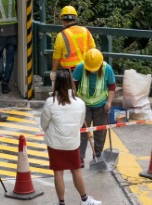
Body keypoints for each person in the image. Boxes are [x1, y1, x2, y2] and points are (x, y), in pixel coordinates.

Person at [41, 69, 102, 205]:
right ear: (71, 84)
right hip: (72, 144)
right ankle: (84, 199)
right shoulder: (79, 103)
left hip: (55, 144)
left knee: (58, 173)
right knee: (76, 171)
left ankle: (61, 202)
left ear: (56, 84)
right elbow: (80, 124)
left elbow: (43, 124)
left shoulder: (50, 102)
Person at [72, 49, 116, 165]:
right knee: (82, 133)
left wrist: (109, 102)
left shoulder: (107, 69)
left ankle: (97, 157)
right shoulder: (80, 68)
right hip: (83, 106)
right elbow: (73, 85)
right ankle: (79, 158)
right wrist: (75, 101)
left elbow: (111, 86)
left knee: (100, 134)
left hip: (101, 106)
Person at [51, 5, 96, 79]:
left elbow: (56, 56)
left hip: (70, 73)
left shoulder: (61, 35)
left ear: (63, 20)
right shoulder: (86, 31)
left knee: (69, 90)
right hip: (86, 70)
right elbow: (93, 51)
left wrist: (54, 71)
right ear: (75, 19)